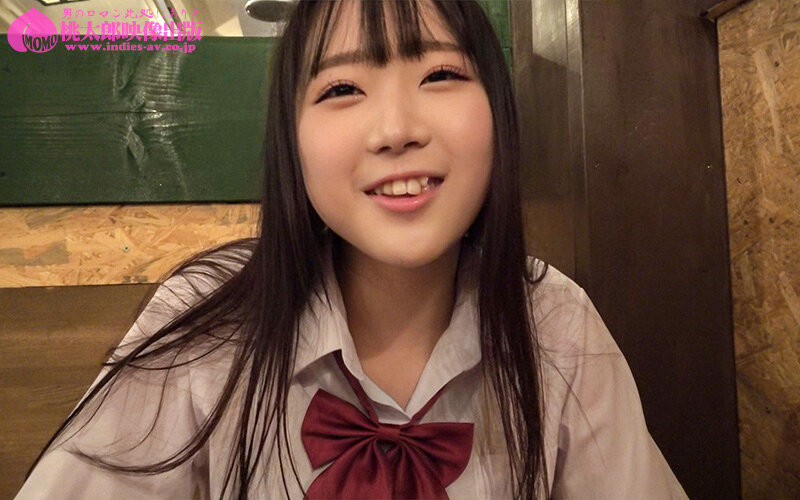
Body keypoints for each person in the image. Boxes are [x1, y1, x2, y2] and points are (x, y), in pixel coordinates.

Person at [16, 1, 687, 498]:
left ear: (498, 110)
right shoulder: (206, 319)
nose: (395, 129)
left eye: (441, 74)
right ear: (291, 141)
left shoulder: (555, 323)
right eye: (342, 89)